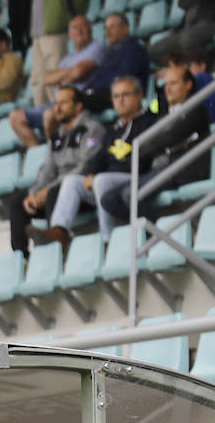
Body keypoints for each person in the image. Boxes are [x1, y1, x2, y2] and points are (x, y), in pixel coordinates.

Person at [32, 77, 156, 245]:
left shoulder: (149, 121)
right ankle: (59, 231)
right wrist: (91, 173)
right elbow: (100, 158)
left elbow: (146, 157)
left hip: (135, 177)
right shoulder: (114, 129)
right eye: (116, 96)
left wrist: (101, 175)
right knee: (72, 181)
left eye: (125, 95)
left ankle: (107, 240)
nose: (120, 100)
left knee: (101, 180)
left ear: (140, 96)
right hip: (108, 183)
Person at [93, 62, 212, 234]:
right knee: (108, 199)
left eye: (174, 83)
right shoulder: (162, 114)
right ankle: (156, 230)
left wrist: (152, 144)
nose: (168, 88)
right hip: (161, 170)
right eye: (166, 84)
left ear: (188, 84)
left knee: (130, 195)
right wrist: (152, 144)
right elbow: (149, 145)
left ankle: (158, 238)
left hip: (183, 169)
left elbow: (170, 137)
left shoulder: (196, 109)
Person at [9, 86, 103, 255]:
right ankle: (21, 258)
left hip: (82, 191)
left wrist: (49, 188)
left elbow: (87, 165)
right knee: (18, 202)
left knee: (53, 192)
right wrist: (35, 193)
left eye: (63, 103)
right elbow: (48, 169)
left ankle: (57, 251)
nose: (57, 108)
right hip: (55, 190)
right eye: (56, 103)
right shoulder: (58, 135)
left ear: (78, 106)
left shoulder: (93, 129)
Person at [9, 15, 103, 147]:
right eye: (75, 28)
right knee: (15, 117)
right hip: (58, 102)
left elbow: (78, 72)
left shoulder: (97, 47)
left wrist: (64, 76)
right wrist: (70, 74)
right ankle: (40, 154)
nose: (79, 31)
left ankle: (55, 154)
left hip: (80, 101)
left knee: (50, 115)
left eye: (83, 27)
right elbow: (48, 79)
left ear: (90, 30)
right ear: (70, 34)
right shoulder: (68, 58)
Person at [25, 0, 90, 107]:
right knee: (38, 81)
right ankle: (45, 118)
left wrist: (71, 20)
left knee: (55, 76)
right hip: (37, 34)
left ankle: (62, 115)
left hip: (55, 31)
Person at [78, 13, 151, 118]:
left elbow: (122, 78)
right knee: (74, 100)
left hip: (121, 95)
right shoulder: (111, 52)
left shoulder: (134, 49)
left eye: (112, 27)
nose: (107, 32)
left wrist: (94, 89)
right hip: (103, 94)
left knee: (75, 104)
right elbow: (97, 76)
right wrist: (88, 89)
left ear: (125, 28)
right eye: (106, 28)